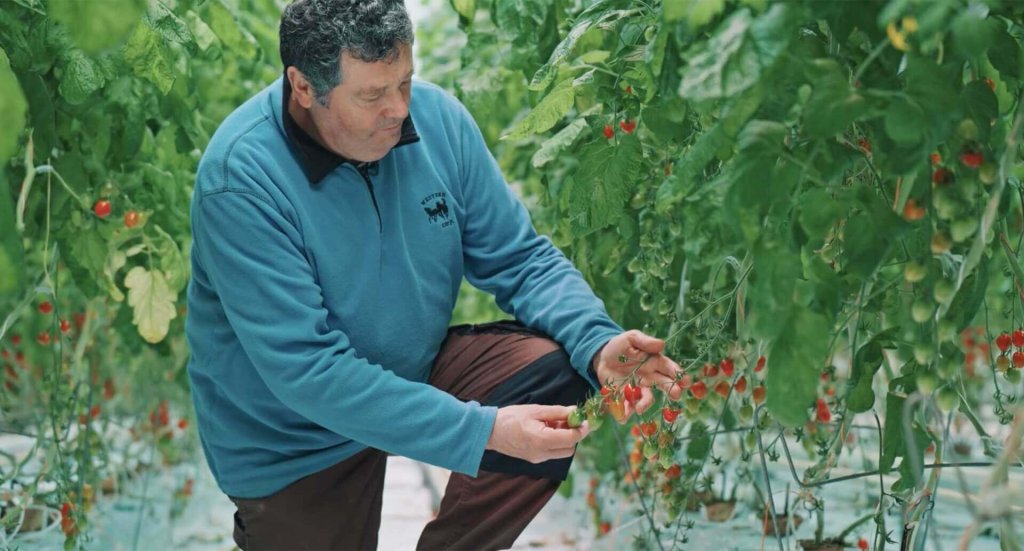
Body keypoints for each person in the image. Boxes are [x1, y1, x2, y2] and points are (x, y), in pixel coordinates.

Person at [184, 0, 683, 549]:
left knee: (555, 368)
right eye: (372, 95)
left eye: (405, 81)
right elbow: (308, 371)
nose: (399, 110)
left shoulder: (438, 121)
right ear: (303, 87)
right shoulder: (241, 179)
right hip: (295, 439)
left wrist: (597, 340)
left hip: (413, 371)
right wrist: (485, 432)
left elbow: (519, 257)